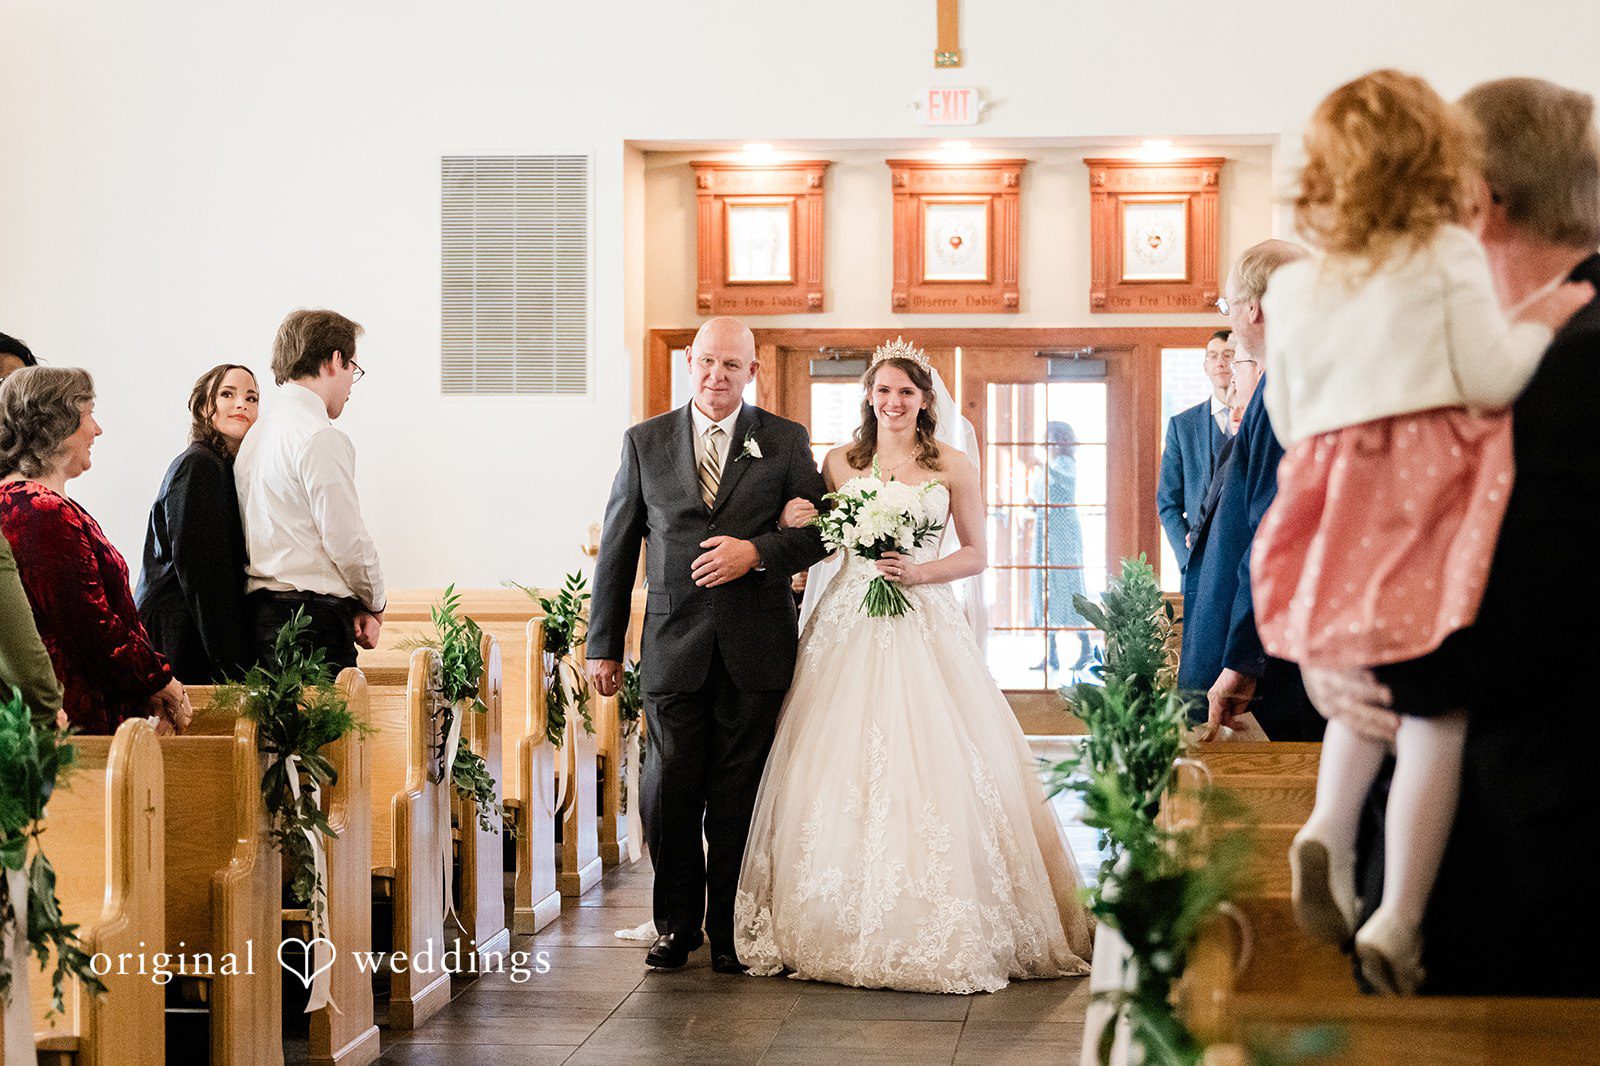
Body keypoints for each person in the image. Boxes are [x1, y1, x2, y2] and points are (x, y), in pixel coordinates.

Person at [1253, 70, 1591, 996]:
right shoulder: (1460, 284)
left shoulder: (1299, 290)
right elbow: (1489, 380)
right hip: (1423, 528)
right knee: (1426, 714)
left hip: (1332, 505)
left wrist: (1364, 663)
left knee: (1387, 693)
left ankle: (1337, 839)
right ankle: (1386, 897)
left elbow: (1287, 416)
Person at [734, 338, 1093, 993]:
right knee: (835, 758)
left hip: (922, 617)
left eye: (906, 391)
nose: (894, 402)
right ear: (869, 397)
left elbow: (978, 554)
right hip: (847, 620)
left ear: (926, 400)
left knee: (932, 755)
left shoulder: (952, 463)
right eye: (884, 391)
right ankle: (827, 914)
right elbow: (819, 539)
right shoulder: (840, 462)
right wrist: (795, 517)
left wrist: (919, 571)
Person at [585, 317, 830, 975]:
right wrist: (603, 645)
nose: (717, 376)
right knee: (668, 791)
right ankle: (676, 927)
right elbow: (618, 548)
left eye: (731, 365)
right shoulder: (645, 441)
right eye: (707, 362)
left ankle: (728, 933)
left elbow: (821, 533)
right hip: (672, 644)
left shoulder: (784, 439)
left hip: (756, 644)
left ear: (752, 371)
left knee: (737, 797)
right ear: (689, 362)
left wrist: (757, 552)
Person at [1178, 239, 1322, 742]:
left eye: (1226, 305)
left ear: (1251, 307)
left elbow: (1273, 530)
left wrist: (1243, 659)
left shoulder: (1288, 385)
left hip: (1277, 656)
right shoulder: (1288, 376)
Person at [0, 367, 191, 735]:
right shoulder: (42, 510)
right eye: (89, 414)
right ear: (58, 424)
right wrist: (158, 680)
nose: (97, 429)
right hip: (72, 721)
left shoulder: (33, 502)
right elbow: (90, 625)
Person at [235, 310, 385, 669]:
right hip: (312, 624)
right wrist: (376, 601)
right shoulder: (319, 435)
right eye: (353, 369)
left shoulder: (256, 435)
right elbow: (346, 542)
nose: (351, 385)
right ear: (335, 360)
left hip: (261, 619)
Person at [136, 364, 260, 682]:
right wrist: (237, 671)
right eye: (227, 394)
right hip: (177, 637)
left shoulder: (225, 469)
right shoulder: (199, 465)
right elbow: (204, 577)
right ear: (205, 406)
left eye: (251, 398)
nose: (242, 404)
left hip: (192, 632)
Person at [1158, 329, 1235, 572]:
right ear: (1205, 366)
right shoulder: (1182, 426)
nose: (1220, 362)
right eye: (1213, 356)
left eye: (1228, 355)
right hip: (1198, 563)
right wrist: (1187, 558)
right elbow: (1168, 502)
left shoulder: (1259, 419)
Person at [1031, 421, 1092, 674]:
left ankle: (1085, 646)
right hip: (1044, 526)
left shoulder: (1065, 464)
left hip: (1063, 529)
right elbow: (1040, 493)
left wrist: (1042, 466)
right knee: (1046, 584)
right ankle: (1051, 652)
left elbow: (1065, 485)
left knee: (1068, 582)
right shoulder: (1051, 465)